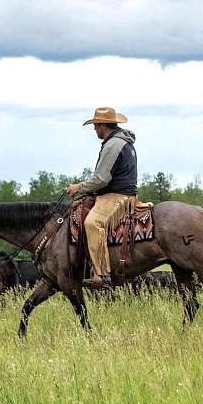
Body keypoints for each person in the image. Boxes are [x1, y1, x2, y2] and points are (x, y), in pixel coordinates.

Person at [66, 107, 138, 288]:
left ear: (104, 125)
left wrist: (79, 188)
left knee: (93, 223)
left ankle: (101, 273)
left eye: (96, 125)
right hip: (121, 193)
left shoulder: (113, 144)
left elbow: (101, 178)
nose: (94, 129)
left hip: (117, 196)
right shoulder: (122, 141)